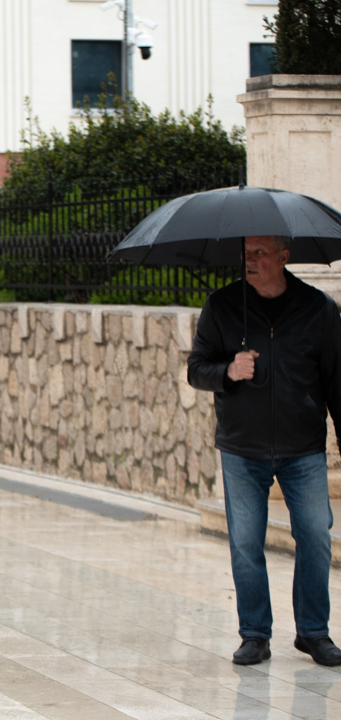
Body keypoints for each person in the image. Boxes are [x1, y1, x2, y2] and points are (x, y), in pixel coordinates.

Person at [188, 235, 341, 668]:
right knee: (245, 543)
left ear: (283, 257)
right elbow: (196, 370)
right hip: (242, 447)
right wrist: (229, 370)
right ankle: (254, 634)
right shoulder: (221, 306)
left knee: (314, 536)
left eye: (259, 253)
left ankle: (313, 633)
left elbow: (337, 382)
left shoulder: (319, 309)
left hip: (303, 447)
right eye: (245, 254)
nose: (249, 261)